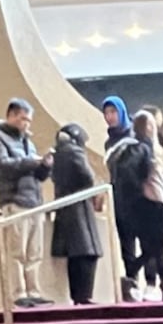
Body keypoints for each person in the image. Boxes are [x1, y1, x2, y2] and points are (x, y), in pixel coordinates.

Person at [0, 98, 53, 308]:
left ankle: (34, 290)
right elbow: (2, 166)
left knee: (34, 252)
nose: (26, 124)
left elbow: (37, 175)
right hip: (14, 200)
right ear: (11, 115)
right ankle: (19, 292)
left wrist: (45, 166)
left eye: (29, 121)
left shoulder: (27, 142)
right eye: (23, 119)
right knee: (17, 251)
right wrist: (33, 161)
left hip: (34, 201)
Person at [111, 110, 163, 301]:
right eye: (150, 125)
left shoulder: (139, 147)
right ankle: (135, 276)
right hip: (151, 204)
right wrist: (141, 193)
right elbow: (133, 173)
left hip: (155, 202)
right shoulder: (141, 147)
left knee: (157, 248)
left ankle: (162, 285)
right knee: (154, 247)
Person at [49, 122, 104, 305]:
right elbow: (87, 176)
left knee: (74, 254)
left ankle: (76, 297)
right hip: (80, 208)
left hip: (64, 208)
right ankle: (85, 295)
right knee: (88, 252)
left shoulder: (56, 153)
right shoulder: (74, 151)